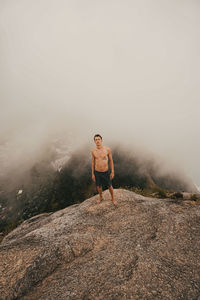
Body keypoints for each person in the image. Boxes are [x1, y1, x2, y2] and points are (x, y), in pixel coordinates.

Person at [91, 134, 117, 206]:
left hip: (105, 171)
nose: (97, 141)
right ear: (94, 141)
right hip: (97, 171)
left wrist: (112, 171)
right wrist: (93, 173)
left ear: (101, 140)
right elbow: (93, 163)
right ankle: (101, 197)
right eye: (96, 140)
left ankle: (113, 198)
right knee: (99, 186)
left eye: (98, 139)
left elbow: (111, 161)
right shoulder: (93, 151)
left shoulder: (107, 149)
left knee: (109, 185)